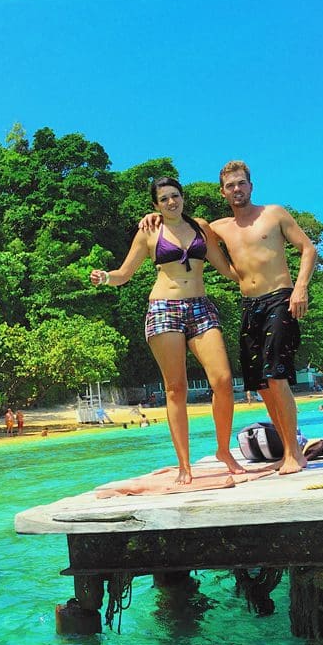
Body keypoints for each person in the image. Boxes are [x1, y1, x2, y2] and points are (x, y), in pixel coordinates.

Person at [139, 161, 315, 475]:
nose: (237, 189)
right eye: (230, 186)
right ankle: (289, 449)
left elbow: (308, 249)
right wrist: (154, 216)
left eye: (241, 183)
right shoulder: (215, 227)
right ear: (223, 192)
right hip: (249, 305)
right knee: (261, 384)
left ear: (251, 185)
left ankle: (295, 454)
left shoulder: (274, 214)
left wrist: (300, 287)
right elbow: (179, 225)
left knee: (276, 375)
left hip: (280, 298)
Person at [91, 176, 246, 484]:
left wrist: (257, 277)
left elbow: (226, 267)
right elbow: (125, 273)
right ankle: (184, 465)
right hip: (164, 309)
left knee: (224, 380)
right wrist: (105, 277)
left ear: (182, 196)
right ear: (155, 205)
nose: (172, 202)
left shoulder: (201, 226)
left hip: (201, 307)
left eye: (175, 195)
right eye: (164, 199)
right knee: (176, 388)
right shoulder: (149, 232)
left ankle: (223, 450)